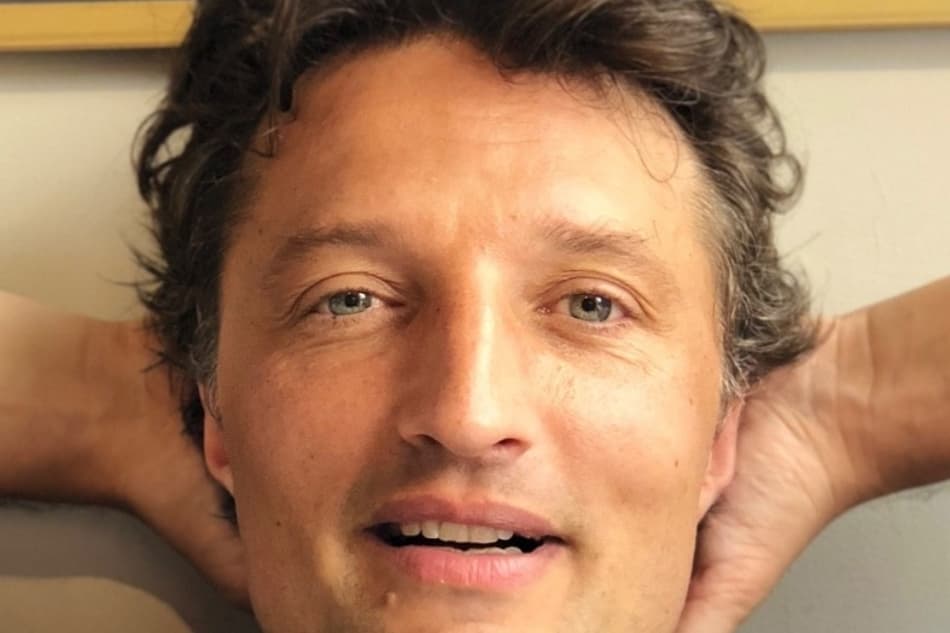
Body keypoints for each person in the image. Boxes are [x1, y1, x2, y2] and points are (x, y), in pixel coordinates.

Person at [0, 1, 947, 633]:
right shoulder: (216, 403)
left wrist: (841, 406)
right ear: (216, 413)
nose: (467, 411)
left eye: (591, 304)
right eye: (348, 299)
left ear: (721, 435)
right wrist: (118, 401)